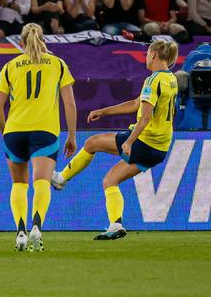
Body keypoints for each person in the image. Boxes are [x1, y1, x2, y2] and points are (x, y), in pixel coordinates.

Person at [52, 40, 179, 241]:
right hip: (160, 148)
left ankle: (61, 179)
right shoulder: (171, 79)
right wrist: (104, 111)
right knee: (110, 180)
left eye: (147, 53)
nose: (146, 57)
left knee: (92, 142)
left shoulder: (153, 80)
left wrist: (129, 142)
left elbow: (145, 117)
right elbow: (137, 104)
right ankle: (115, 224)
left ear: (153, 54)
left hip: (145, 142)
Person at [0, 23, 77, 252]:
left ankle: (20, 231)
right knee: (41, 182)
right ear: (43, 39)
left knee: (19, 183)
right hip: (45, 131)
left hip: (15, 131)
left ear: (21, 42)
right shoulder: (58, 64)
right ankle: (37, 226)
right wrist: (71, 135)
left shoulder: (10, 66)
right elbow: (69, 102)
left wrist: (5, 131)